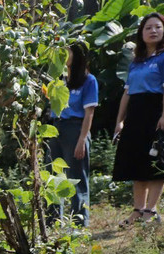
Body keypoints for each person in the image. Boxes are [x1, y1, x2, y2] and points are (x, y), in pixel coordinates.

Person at [113, 12, 164, 224]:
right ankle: (137, 210)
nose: (153, 31)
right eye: (148, 28)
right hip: (135, 113)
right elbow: (127, 93)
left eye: (157, 27)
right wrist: (119, 121)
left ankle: (151, 211)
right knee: (136, 162)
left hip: (155, 112)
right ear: (141, 33)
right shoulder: (136, 61)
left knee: (156, 163)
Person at [49, 44, 98, 226]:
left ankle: (79, 222)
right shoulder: (57, 80)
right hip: (56, 127)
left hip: (75, 129)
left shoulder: (88, 80)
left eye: (66, 52)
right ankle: (53, 221)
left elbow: (89, 113)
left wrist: (82, 140)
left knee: (76, 177)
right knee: (54, 175)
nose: (62, 55)